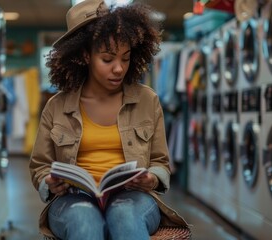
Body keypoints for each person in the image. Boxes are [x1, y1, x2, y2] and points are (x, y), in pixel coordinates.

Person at [29, 0, 188, 239]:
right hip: (74, 198)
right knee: (84, 220)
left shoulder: (147, 100)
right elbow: (40, 166)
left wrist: (151, 178)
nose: (118, 69)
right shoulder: (57, 106)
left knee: (124, 215)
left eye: (125, 58)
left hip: (133, 197)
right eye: (108, 59)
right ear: (85, 55)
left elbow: (160, 162)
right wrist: (48, 182)